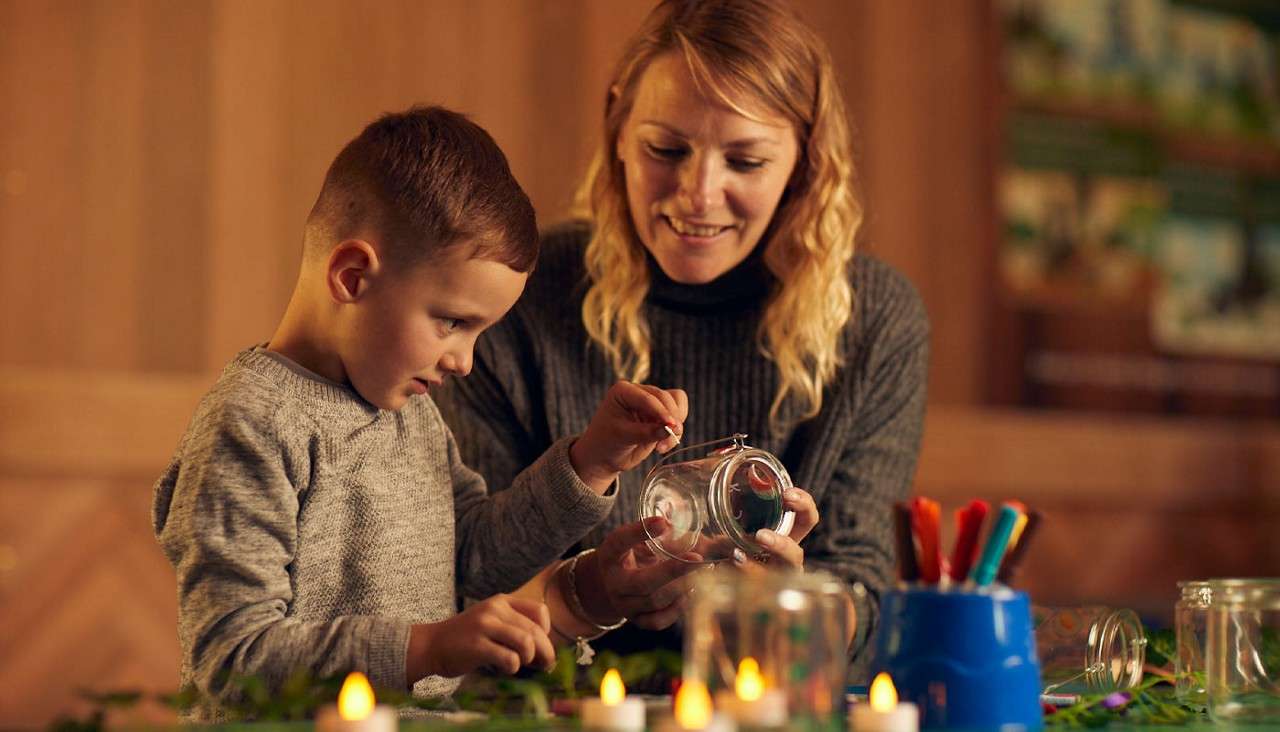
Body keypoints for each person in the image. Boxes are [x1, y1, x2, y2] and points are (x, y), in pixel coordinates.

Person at [435, 0, 929, 679]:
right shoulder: (518, 296)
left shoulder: (873, 320)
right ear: (616, 127)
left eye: (746, 162)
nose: (698, 194)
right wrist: (592, 588)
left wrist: (796, 606)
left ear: (805, 162)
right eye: (665, 150)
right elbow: (468, 573)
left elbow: (862, 596)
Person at [151, 106, 688, 718]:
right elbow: (234, 656)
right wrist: (427, 647)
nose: (464, 360)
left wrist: (592, 462)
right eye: (452, 322)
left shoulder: (411, 413)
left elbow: (478, 559)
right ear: (353, 277)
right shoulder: (251, 422)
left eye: (480, 333)